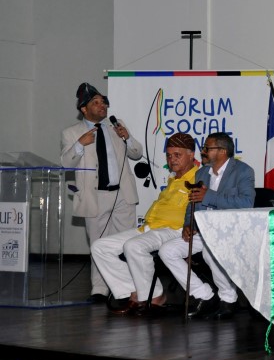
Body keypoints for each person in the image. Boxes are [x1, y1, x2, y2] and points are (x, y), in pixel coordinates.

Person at [91, 133, 199, 315]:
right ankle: (134, 291)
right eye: (169, 155)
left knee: (134, 246)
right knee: (100, 247)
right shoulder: (174, 178)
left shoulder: (198, 177)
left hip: (174, 230)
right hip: (149, 227)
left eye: (177, 155)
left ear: (191, 155)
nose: (172, 159)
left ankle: (155, 296)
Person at [157, 132, 255, 319]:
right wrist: (189, 223)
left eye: (207, 148)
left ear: (222, 151)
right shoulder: (202, 173)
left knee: (210, 252)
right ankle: (205, 295)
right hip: (202, 230)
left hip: (229, 231)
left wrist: (208, 196)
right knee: (167, 251)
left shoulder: (243, 171)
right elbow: (192, 204)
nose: (202, 152)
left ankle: (229, 298)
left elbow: (246, 203)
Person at [60, 82, 143, 302]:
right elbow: (66, 164)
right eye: (96, 103)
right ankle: (100, 289)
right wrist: (80, 144)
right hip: (95, 196)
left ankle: (128, 288)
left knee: (127, 244)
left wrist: (127, 137)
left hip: (123, 195)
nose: (102, 105)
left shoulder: (117, 125)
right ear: (84, 109)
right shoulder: (72, 133)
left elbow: (136, 154)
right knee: (98, 244)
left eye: (103, 102)